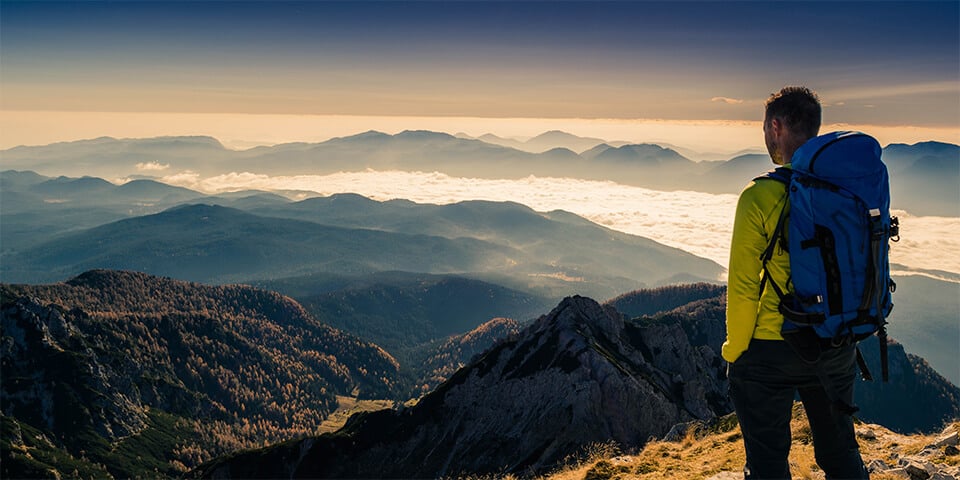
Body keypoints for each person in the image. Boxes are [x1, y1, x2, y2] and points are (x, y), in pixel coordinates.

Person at [722, 86, 870, 479]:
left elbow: (742, 287)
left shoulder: (759, 196)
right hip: (835, 342)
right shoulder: (847, 190)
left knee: (768, 464)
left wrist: (735, 350)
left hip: (770, 351)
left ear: (776, 126)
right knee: (841, 456)